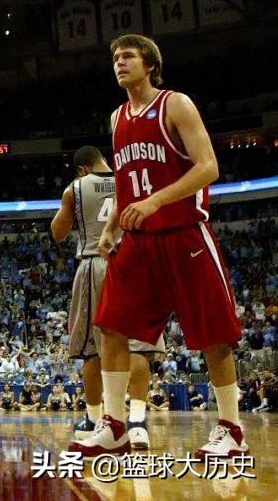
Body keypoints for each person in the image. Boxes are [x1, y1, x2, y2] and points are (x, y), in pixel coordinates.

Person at [70, 34, 247, 459]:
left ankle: (231, 429)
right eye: (115, 57)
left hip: (184, 232)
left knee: (214, 337)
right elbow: (129, 183)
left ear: (150, 64)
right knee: (109, 326)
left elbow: (208, 168)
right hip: (138, 241)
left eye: (128, 55)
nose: (119, 62)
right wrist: (112, 225)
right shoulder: (116, 119)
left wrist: (155, 201)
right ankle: (114, 426)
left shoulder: (175, 104)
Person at [51, 145, 164, 450]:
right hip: (136, 260)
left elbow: (58, 232)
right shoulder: (129, 179)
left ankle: (94, 419)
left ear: (80, 169)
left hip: (95, 262)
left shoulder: (75, 187)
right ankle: (138, 423)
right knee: (138, 345)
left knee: (93, 348)